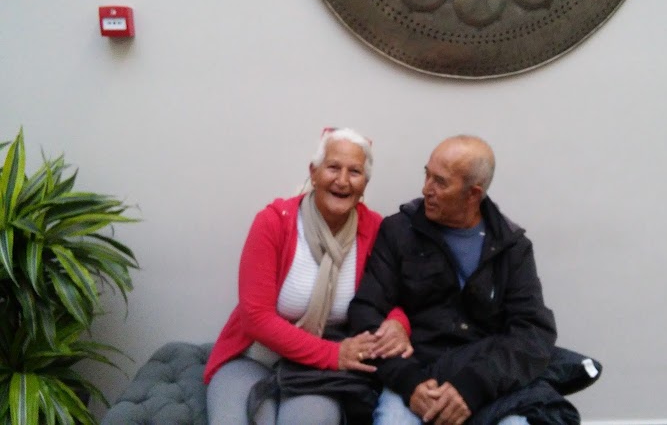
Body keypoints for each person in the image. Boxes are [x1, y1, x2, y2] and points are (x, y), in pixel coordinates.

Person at [204, 128, 413, 425]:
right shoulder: (274, 222)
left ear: (365, 183)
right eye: (333, 167)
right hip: (254, 358)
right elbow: (255, 317)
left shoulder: (376, 229)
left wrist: (398, 323)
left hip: (316, 374)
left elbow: (391, 296)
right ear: (313, 173)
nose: (342, 180)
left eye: (354, 172)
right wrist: (333, 354)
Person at [348, 135, 558, 425]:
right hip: (415, 377)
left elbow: (532, 333)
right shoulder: (399, 231)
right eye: (427, 175)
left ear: (473, 194)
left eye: (440, 182)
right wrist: (409, 382)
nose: (426, 189)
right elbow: (365, 311)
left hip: (485, 383)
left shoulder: (511, 248)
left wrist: (474, 387)